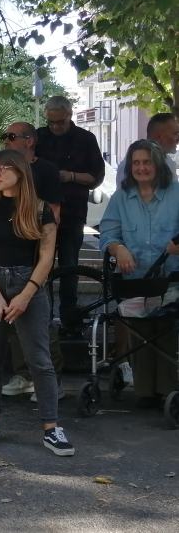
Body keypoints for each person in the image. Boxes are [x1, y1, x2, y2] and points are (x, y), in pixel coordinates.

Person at [0, 149, 74, 456]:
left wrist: (26, 295)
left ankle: (51, 428)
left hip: (30, 283)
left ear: (20, 172)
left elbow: (46, 258)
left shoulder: (41, 210)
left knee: (39, 359)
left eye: (3, 168)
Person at [99, 140, 179, 409]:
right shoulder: (121, 198)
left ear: (157, 165)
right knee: (141, 332)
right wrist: (118, 248)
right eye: (136, 163)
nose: (141, 168)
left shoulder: (177, 194)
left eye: (147, 162)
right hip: (135, 281)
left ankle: (167, 391)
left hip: (171, 279)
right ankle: (145, 392)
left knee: (165, 328)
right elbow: (108, 235)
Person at [1, 122, 65, 401]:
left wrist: (40, 248)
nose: (7, 141)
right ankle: (22, 375)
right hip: (8, 254)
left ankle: (51, 379)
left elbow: (54, 213)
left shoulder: (47, 171)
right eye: (5, 136)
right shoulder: (3, 170)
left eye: (12, 136)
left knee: (40, 315)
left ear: (30, 141)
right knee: (13, 315)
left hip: (37, 252)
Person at [35, 95, 105, 339]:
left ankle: (69, 322)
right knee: (39, 270)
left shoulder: (86, 139)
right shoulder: (39, 137)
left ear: (70, 115)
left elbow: (96, 177)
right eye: (51, 122)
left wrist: (71, 176)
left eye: (60, 122)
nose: (55, 127)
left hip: (72, 213)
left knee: (69, 269)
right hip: (40, 215)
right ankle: (42, 321)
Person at [115, 113, 179, 187]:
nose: (178, 138)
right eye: (175, 134)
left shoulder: (166, 161)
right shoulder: (134, 165)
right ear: (159, 137)